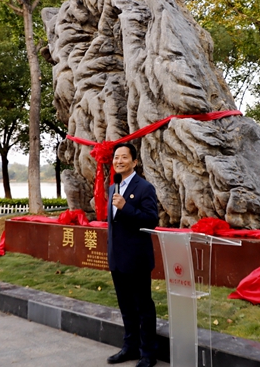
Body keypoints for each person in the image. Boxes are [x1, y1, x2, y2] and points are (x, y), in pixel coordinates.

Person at [106, 143, 158, 367]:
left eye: (124, 157)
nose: (118, 161)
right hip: (118, 258)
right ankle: (130, 347)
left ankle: (148, 354)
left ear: (134, 162)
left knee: (143, 307)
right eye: (116, 157)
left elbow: (151, 220)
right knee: (125, 306)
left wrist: (126, 207)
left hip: (137, 259)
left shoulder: (145, 188)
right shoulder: (112, 188)